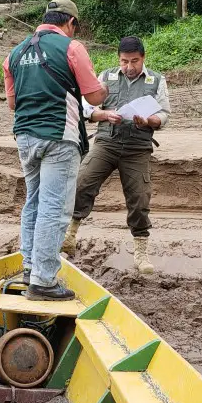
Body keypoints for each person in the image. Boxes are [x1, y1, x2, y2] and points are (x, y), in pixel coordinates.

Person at [3, 0, 108, 300]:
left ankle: (30, 267)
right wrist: (106, 89)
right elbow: (95, 96)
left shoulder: (14, 53)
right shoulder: (72, 48)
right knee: (54, 207)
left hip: (25, 136)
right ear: (71, 23)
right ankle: (44, 280)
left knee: (33, 201)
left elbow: (13, 103)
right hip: (59, 136)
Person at [61, 35, 171, 274]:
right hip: (106, 142)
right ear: (118, 59)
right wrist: (104, 114)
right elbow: (87, 108)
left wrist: (149, 120)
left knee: (140, 199)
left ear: (143, 58)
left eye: (134, 61)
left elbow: (164, 114)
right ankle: (70, 235)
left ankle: (141, 252)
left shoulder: (157, 80)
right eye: (124, 61)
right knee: (82, 182)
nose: (129, 67)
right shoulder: (106, 77)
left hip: (137, 148)